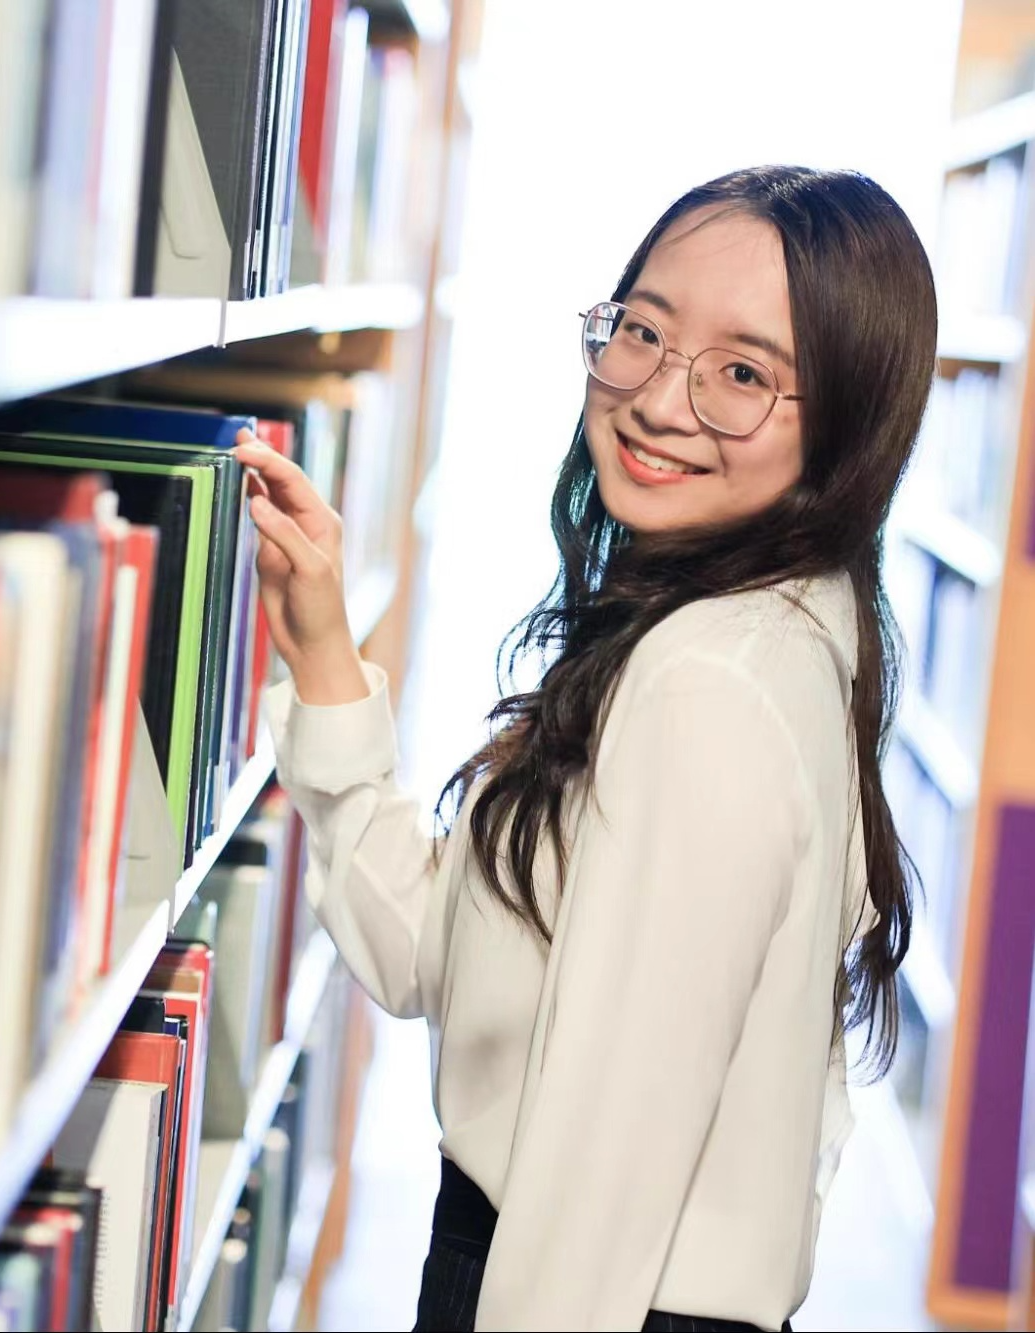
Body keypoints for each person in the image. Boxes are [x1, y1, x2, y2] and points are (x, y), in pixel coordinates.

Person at [233, 164, 935, 1333]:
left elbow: (597, 1193)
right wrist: (319, 654)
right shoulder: (762, 625)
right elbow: (431, 957)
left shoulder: (708, 688)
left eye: (744, 375)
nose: (661, 401)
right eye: (643, 332)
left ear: (850, 426)